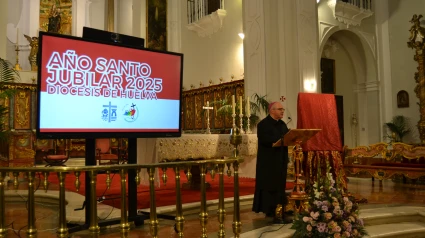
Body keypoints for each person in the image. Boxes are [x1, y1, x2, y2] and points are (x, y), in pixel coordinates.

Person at [252, 101, 291, 223]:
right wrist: (279, 140)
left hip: (280, 160)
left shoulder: (283, 124)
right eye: (280, 109)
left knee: (280, 186)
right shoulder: (263, 125)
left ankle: (282, 210)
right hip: (268, 162)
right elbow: (265, 140)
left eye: (283, 109)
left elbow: (287, 138)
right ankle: (270, 211)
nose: (282, 111)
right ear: (272, 110)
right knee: (270, 186)